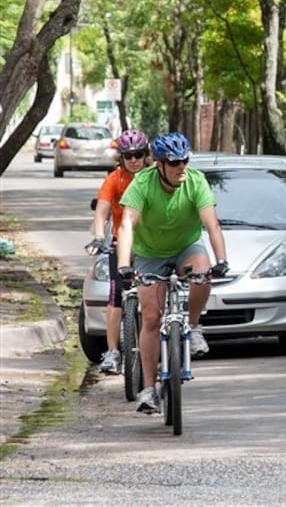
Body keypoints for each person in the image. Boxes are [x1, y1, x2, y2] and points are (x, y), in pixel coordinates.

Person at [116, 132, 229, 414]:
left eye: (185, 161)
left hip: (186, 246)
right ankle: (150, 389)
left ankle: (193, 325)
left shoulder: (195, 181)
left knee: (203, 273)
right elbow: (127, 225)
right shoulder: (143, 183)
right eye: (174, 162)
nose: (182, 167)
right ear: (160, 165)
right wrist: (124, 264)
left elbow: (212, 224)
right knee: (151, 317)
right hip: (150, 254)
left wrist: (222, 259)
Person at [84, 129, 151, 375]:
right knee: (116, 294)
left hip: (151, 246)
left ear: (146, 156)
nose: (134, 159)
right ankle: (112, 352)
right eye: (128, 155)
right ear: (120, 158)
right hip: (120, 243)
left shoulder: (155, 177)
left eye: (138, 154)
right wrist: (100, 236)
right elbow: (101, 212)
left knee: (156, 291)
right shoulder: (114, 179)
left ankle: (165, 340)